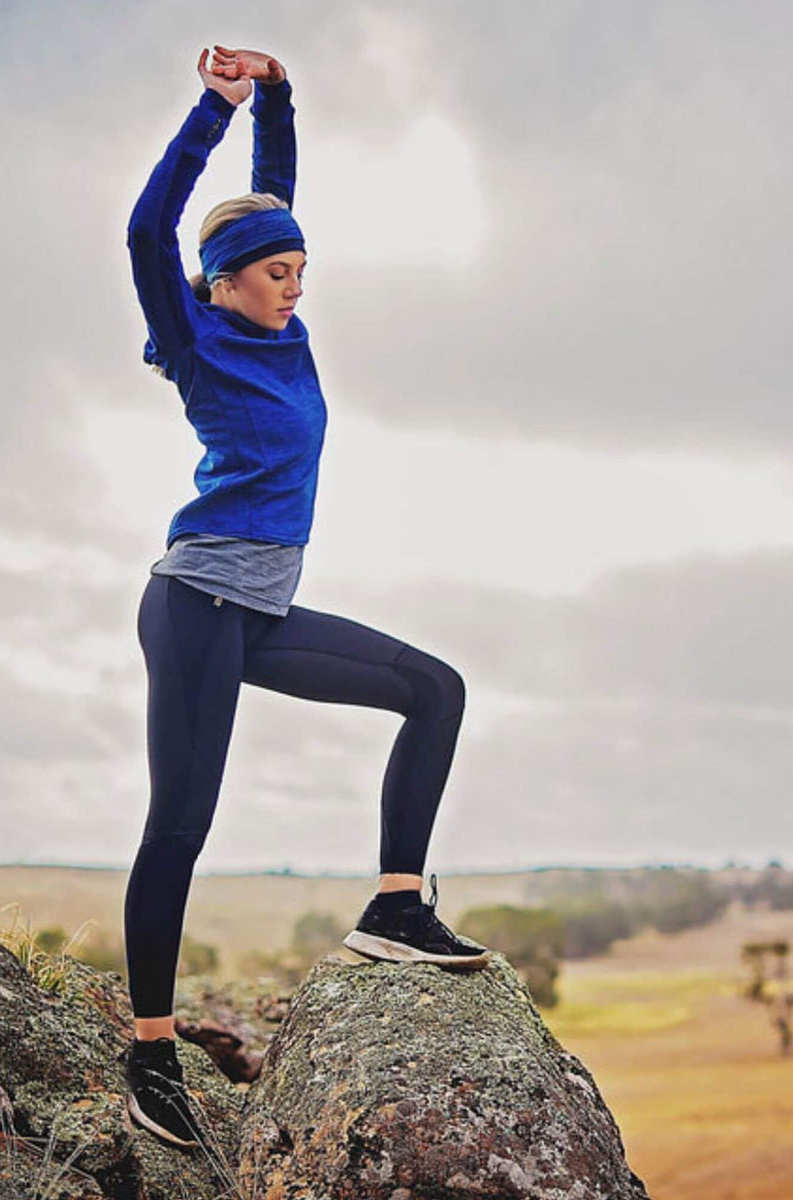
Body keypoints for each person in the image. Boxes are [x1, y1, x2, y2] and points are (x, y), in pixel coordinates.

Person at [121, 44, 492, 1149]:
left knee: (435, 690)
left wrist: (277, 96)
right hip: (196, 608)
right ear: (228, 280)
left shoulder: (289, 333)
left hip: (265, 616)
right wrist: (209, 111)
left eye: (299, 270)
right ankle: (151, 1052)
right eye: (276, 272)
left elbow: (275, 195)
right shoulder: (200, 342)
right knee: (181, 825)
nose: (294, 285)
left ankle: (394, 906)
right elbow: (149, 236)